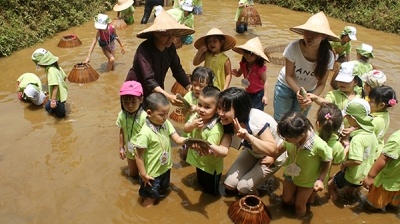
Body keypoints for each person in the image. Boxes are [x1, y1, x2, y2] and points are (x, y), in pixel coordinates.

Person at [218, 87, 286, 196]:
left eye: (225, 110)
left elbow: (273, 149)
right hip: (252, 151)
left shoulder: (256, 120)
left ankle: (255, 200)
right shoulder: (227, 120)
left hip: (274, 155)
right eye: (219, 108)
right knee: (229, 185)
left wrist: (249, 137)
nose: (220, 113)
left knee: (243, 188)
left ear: (239, 110)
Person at [273, 11, 338, 122]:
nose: (310, 36)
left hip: (308, 92)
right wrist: (299, 91)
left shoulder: (328, 56)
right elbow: (289, 76)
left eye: (315, 33)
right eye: (307, 31)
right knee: (281, 120)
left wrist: (310, 98)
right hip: (286, 86)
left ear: (323, 37)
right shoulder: (293, 48)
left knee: (298, 122)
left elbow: (321, 84)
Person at [126, 11, 194, 105]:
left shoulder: (170, 48)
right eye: (166, 34)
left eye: (172, 34)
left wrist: (188, 86)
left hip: (156, 87)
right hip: (135, 92)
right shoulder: (144, 49)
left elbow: (177, 70)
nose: (170, 38)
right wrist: (168, 96)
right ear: (156, 34)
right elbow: (149, 80)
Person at [134, 92, 187, 207]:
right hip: (151, 174)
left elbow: (177, 139)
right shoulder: (145, 134)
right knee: (150, 199)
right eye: (162, 115)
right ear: (149, 113)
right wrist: (143, 174)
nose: (165, 117)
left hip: (165, 168)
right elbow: (138, 156)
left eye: (167, 114)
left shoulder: (165, 124)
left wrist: (189, 141)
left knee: (163, 190)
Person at [276, 111, 332, 217]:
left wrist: (320, 180)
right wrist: (271, 157)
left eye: (287, 138)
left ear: (301, 135)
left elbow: (327, 159)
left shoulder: (319, 145)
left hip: (307, 180)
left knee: (299, 205)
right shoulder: (291, 137)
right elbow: (282, 147)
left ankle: (300, 216)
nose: (285, 140)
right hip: (290, 174)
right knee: (286, 200)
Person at [328, 98, 378, 202]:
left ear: (353, 118)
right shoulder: (371, 133)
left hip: (351, 174)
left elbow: (356, 160)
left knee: (330, 185)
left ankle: (334, 203)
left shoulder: (357, 139)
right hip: (363, 174)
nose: (346, 118)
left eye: (347, 116)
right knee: (350, 192)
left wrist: (344, 164)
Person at [183, 86, 226, 196]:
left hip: (211, 167)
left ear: (217, 109)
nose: (201, 109)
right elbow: (185, 128)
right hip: (199, 161)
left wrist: (199, 148)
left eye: (207, 107)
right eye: (199, 104)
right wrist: (192, 125)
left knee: (211, 192)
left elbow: (211, 150)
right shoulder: (196, 116)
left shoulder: (216, 128)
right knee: (200, 182)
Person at [179, 66, 215, 161]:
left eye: (201, 86)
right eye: (194, 85)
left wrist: (196, 108)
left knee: (201, 152)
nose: (197, 88)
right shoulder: (188, 96)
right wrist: (186, 108)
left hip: (204, 130)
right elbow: (182, 113)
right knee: (185, 154)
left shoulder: (212, 97)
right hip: (189, 128)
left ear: (210, 85)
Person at [362, 130, 400, 212]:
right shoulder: (397, 140)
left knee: (392, 207)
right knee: (375, 207)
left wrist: (370, 176)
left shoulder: (397, 140)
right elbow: (384, 159)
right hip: (389, 181)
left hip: (391, 182)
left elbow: (384, 159)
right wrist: (370, 177)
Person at [116, 81, 146, 179]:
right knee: (133, 174)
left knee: (144, 174)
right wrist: (121, 147)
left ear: (141, 100)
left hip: (142, 152)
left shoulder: (144, 117)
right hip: (129, 150)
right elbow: (121, 132)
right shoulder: (122, 115)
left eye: (133, 102)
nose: (129, 106)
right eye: (126, 102)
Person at [232, 37, 270, 111]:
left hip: (258, 94)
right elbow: (239, 74)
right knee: (247, 110)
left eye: (251, 54)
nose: (248, 56)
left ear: (257, 56)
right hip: (248, 92)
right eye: (246, 52)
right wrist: (235, 73)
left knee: (256, 112)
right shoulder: (244, 64)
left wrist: (265, 96)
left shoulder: (259, 68)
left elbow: (265, 81)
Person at [31, 48, 68, 118]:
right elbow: (64, 77)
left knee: (61, 116)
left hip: (57, 98)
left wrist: (53, 101)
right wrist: (45, 91)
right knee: (47, 107)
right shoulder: (56, 67)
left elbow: (55, 85)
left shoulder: (51, 70)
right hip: (61, 94)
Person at [368, 86, 397, 159]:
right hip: (378, 149)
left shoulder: (375, 120)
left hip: (370, 151)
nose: (368, 102)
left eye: (371, 101)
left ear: (381, 105)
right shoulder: (385, 115)